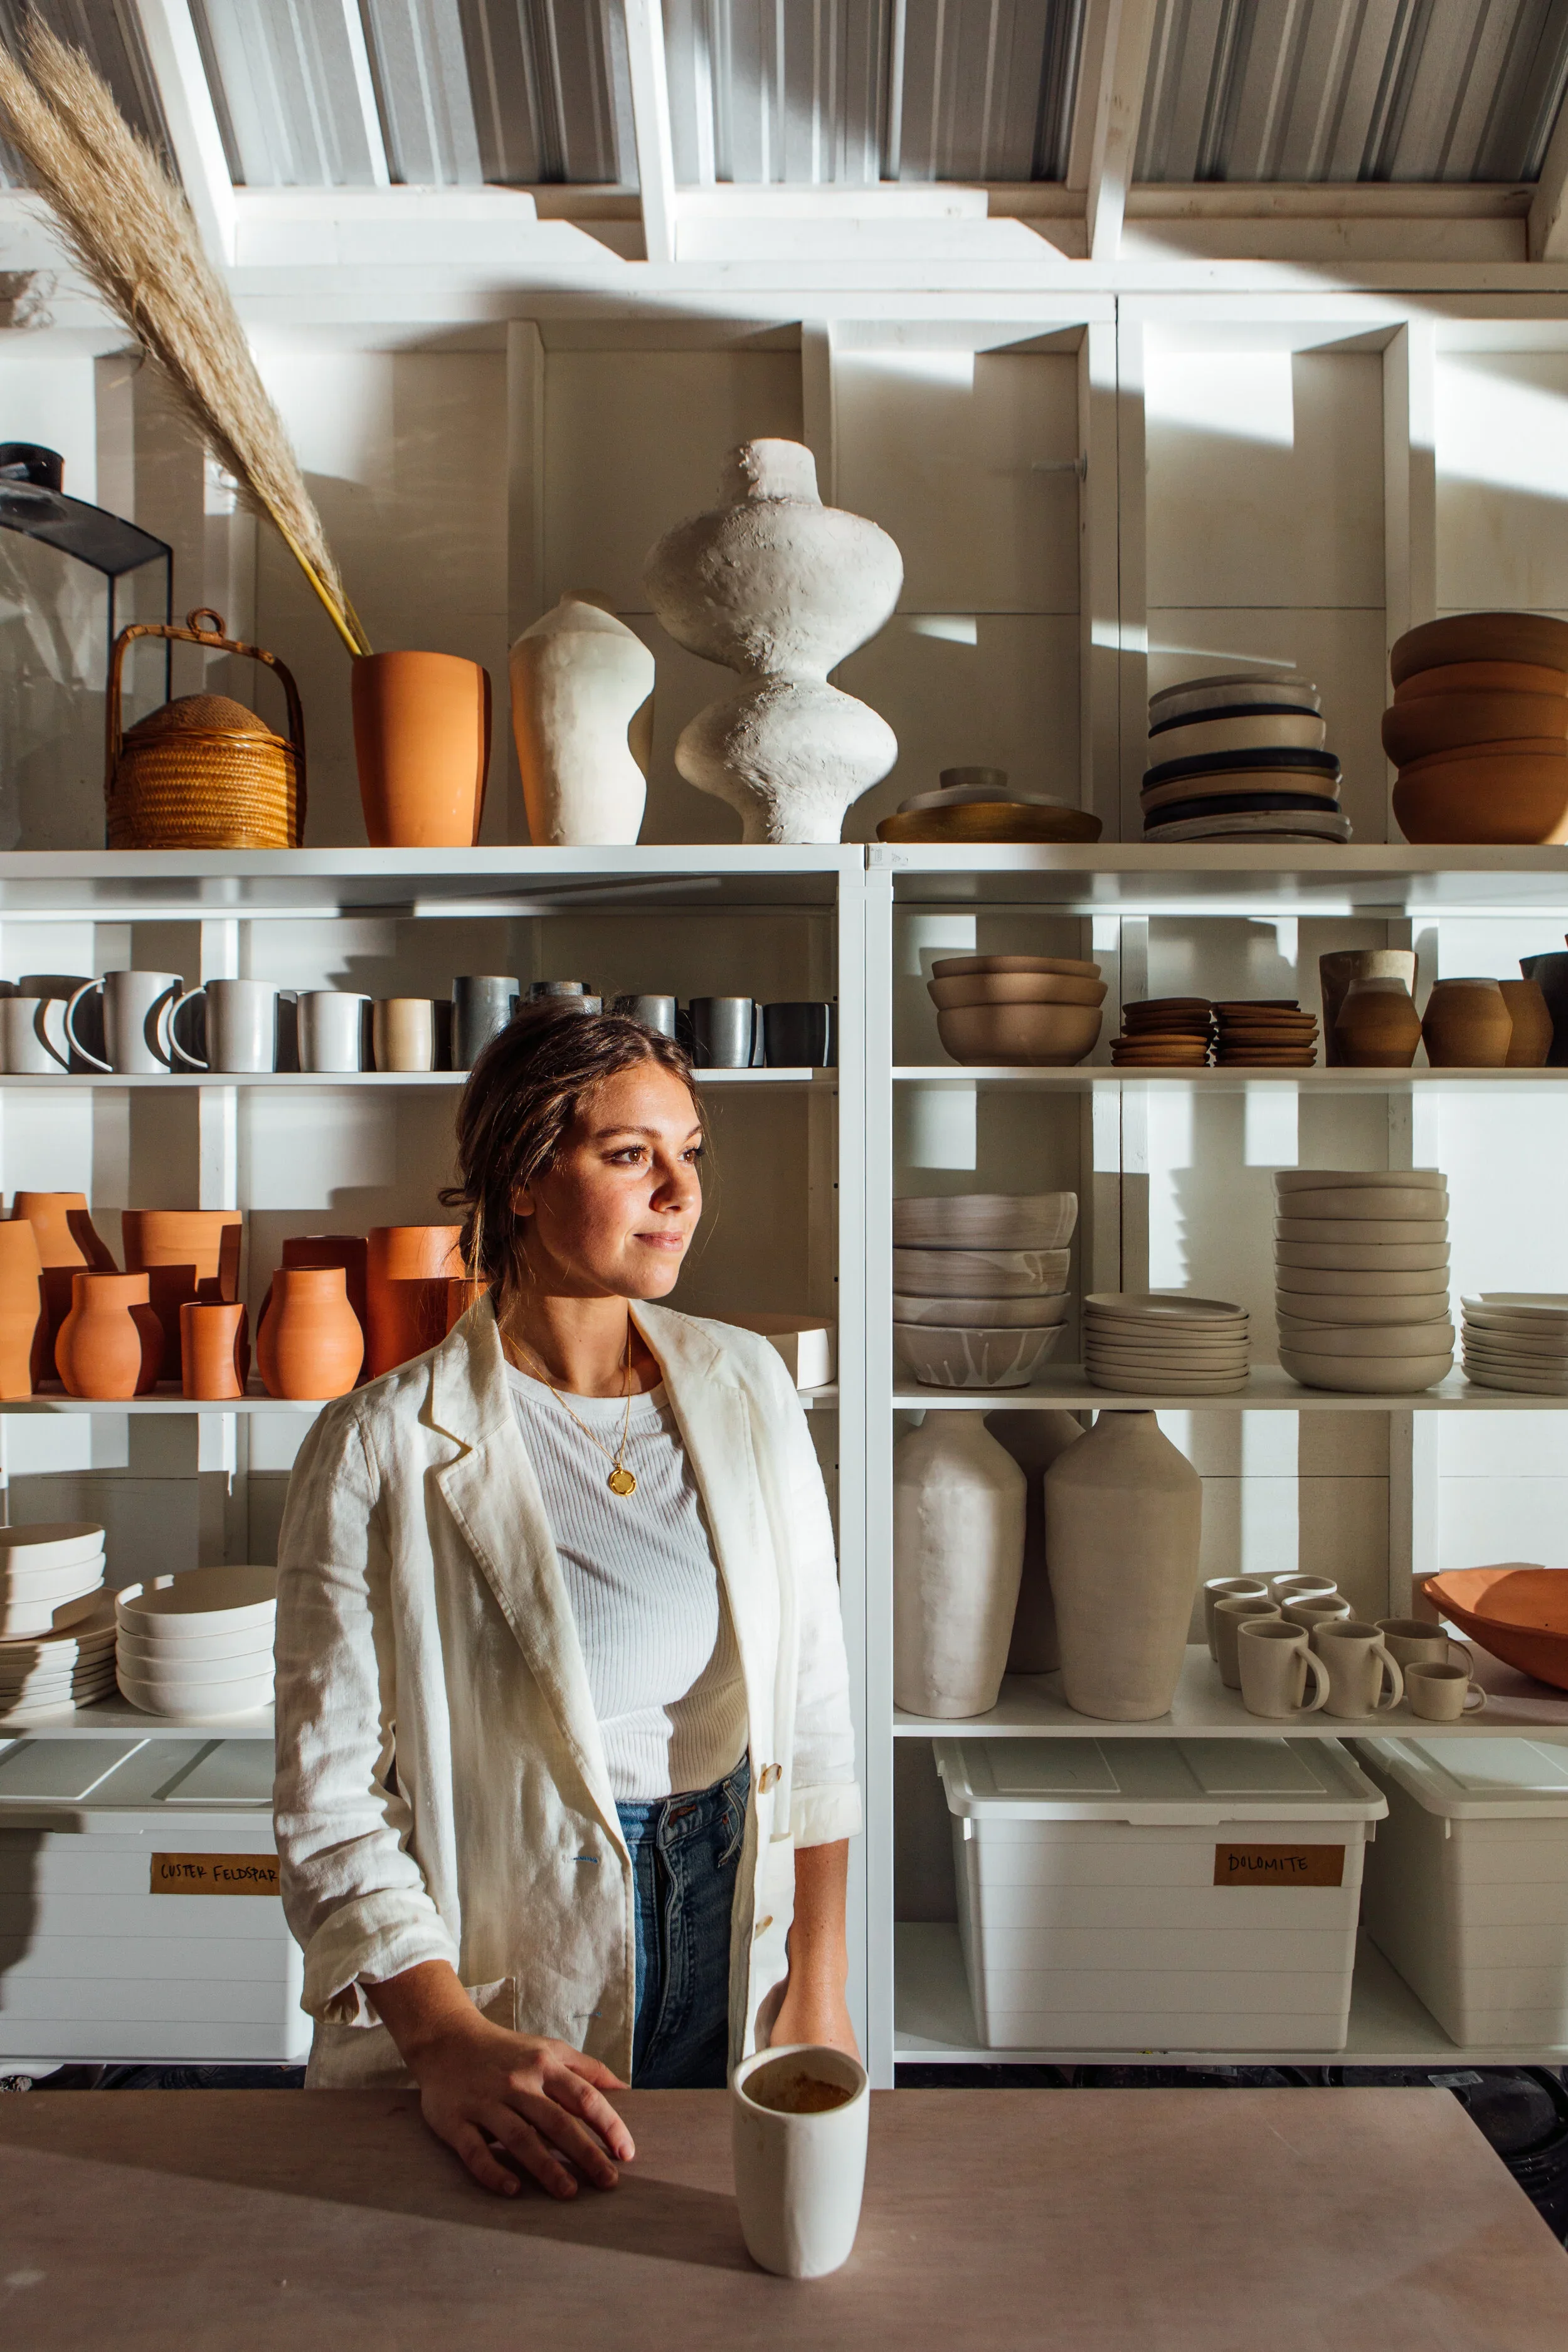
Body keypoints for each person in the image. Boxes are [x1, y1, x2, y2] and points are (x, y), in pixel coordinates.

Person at [272, 1002, 860, 2201]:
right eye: (630, 1154)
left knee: (703, 2240)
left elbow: (815, 1701)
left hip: (728, 1904)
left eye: (689, 1152)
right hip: (513, 1961)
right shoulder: (378, 1445)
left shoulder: (747, 1380)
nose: (679, 1191)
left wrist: (821, 1970)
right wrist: (442, 2039)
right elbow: (329, 1805)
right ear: (525, 1177)